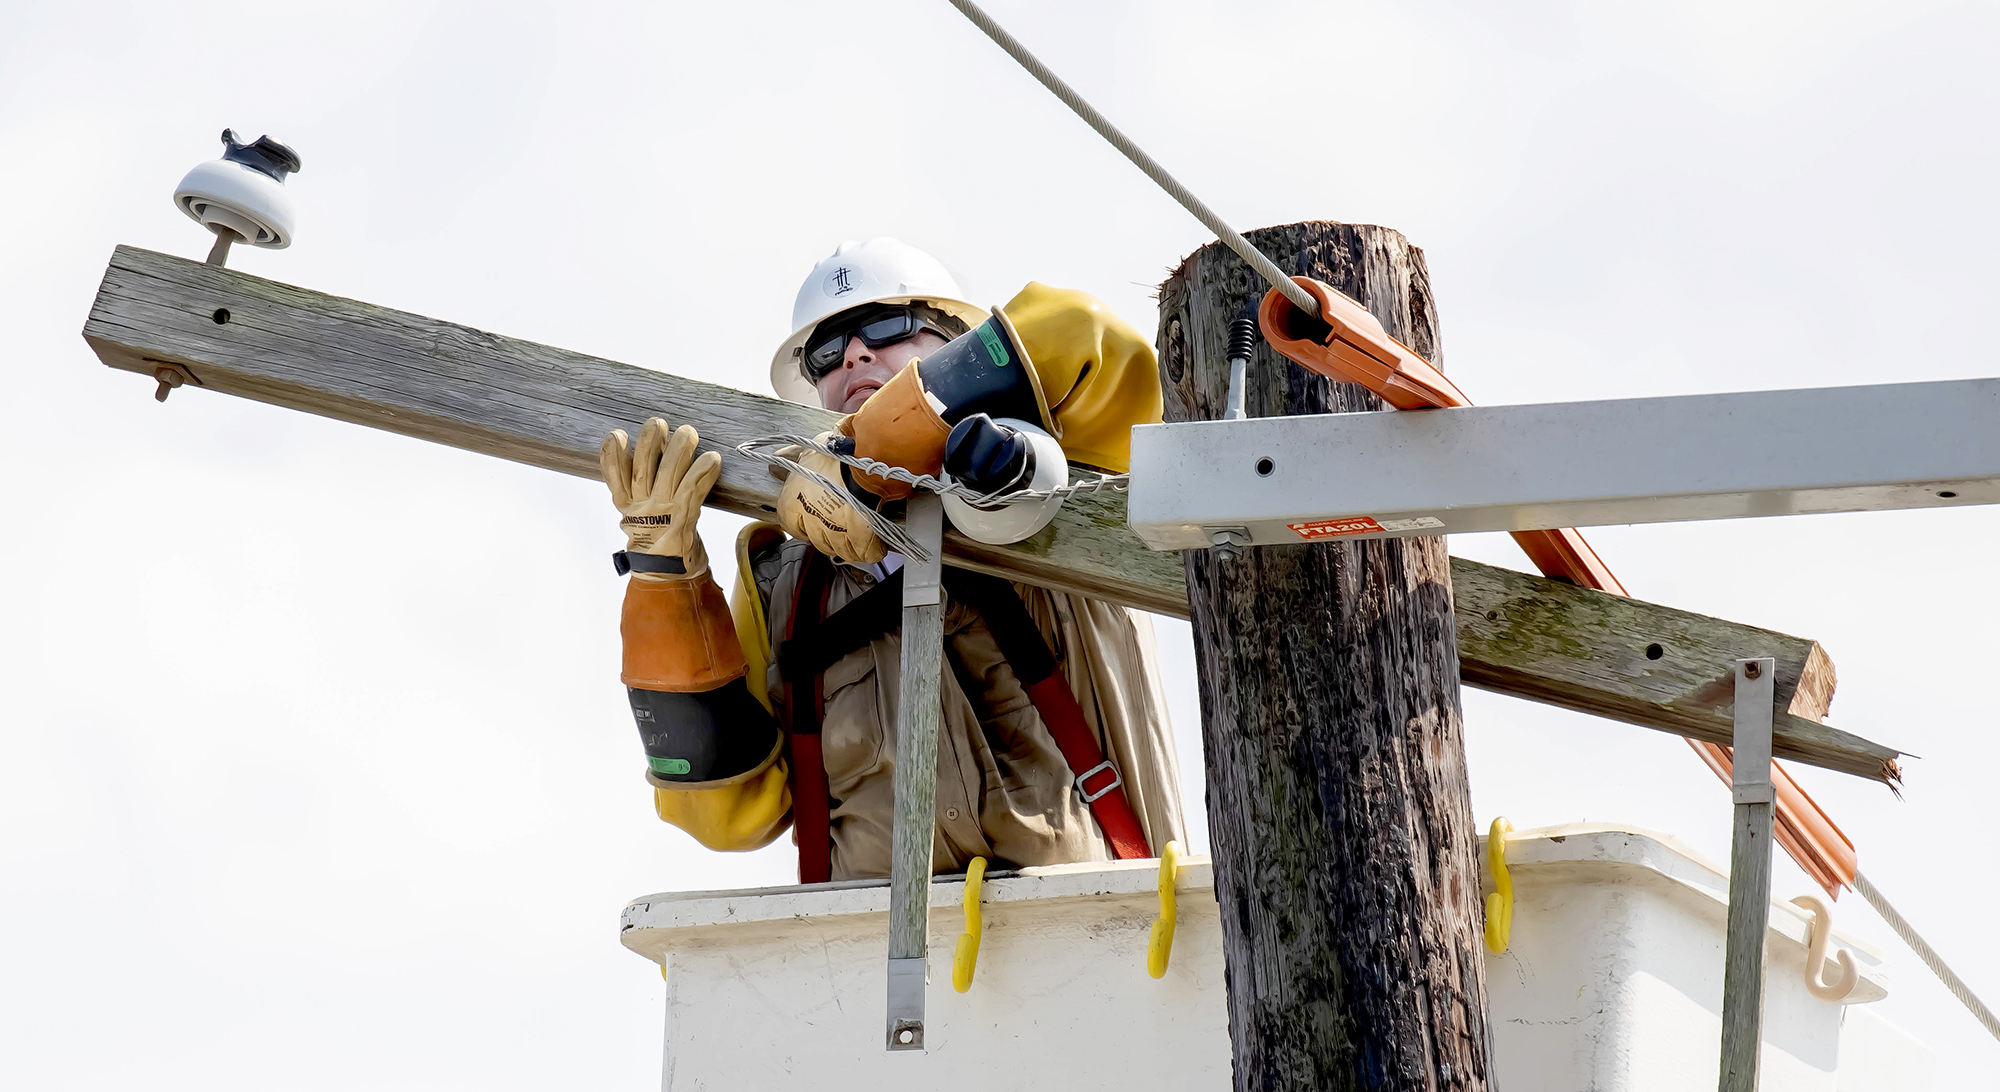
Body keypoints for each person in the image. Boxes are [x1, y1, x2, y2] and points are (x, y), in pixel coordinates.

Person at [599, 238, 1183, 882]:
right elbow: (728, 815)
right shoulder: (787, 586)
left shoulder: (1046, 472)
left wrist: (881, 451)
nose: (854, 352)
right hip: (869, 954)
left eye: (885, 325)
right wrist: (663, 587)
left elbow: (1090, 337)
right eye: (826, 352)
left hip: (1102, 934)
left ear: (956, 343)